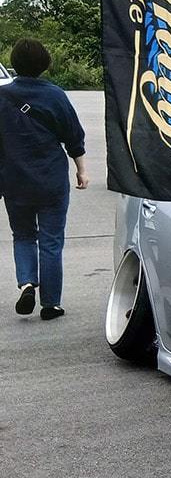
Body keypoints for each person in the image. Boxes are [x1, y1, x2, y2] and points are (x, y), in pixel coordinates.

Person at [0, 39, 88, 320]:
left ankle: (27, 283)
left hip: (14, 181)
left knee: (23, 235)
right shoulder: (55, 95)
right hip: (51, 181)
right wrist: (81, 170)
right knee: (51, 241)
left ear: (14, 63)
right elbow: (74, 136)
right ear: (45, 63)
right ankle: (51, 304)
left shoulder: (2, 97)